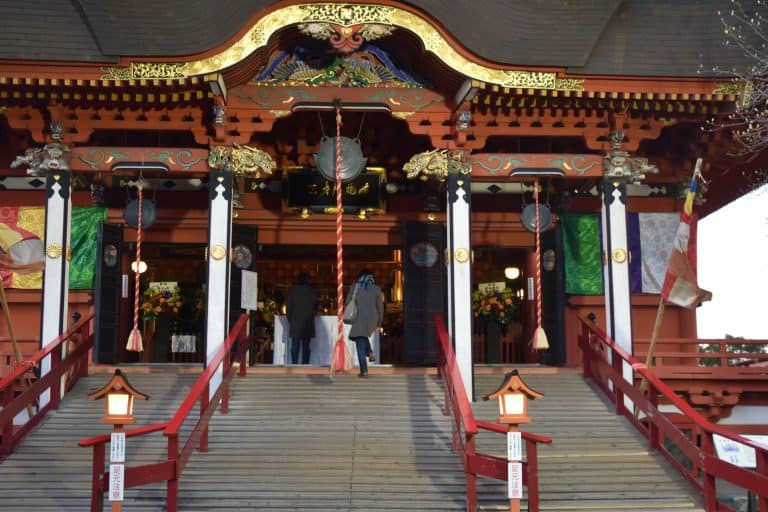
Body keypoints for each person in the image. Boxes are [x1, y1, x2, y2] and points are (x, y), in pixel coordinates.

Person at [346, 268, 383, 377]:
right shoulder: (377, 289)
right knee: (362, 336)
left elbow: (348, 301)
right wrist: (379, 323)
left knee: (359, 344)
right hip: (372, 319)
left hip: (359, 317)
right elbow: (380, 308)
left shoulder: (355, 287)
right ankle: (370, 351)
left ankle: (364, 370)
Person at [286, 272, 318, 365]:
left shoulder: (293, 291)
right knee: (306, 346)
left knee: (295, 346)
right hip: (307, 322)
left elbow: (288, 307)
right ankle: (305, 364)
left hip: (295, 322)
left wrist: (290, 320)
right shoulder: (311, 291)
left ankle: (294, 364)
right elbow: (316, 305)